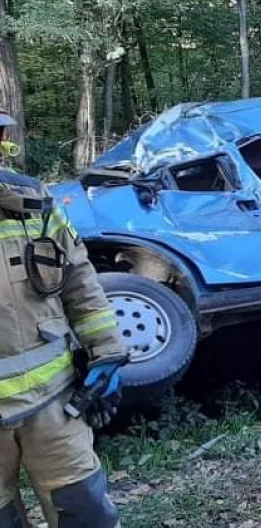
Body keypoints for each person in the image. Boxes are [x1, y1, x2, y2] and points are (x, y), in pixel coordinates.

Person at [0, 110, 128, 528]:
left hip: (54, 405)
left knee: (86, 512)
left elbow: (78, 279)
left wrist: (107, 353)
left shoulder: (31, 200)